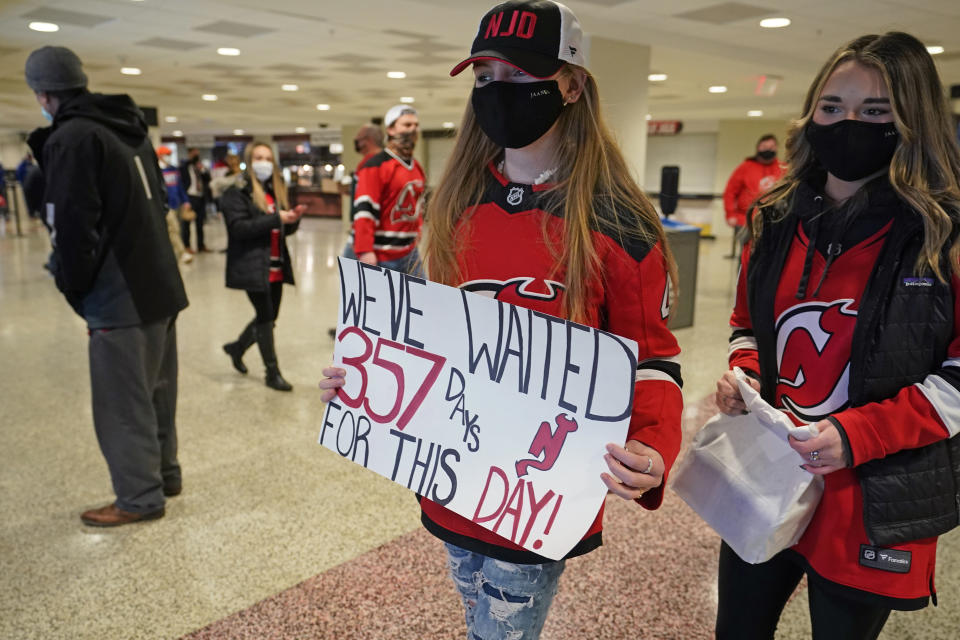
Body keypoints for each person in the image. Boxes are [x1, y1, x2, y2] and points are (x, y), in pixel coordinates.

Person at [320, 2, 683, 637]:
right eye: (484, 77)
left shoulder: (617, 224)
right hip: (456, 477)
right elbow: (437, 338)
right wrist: (364, 377)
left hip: (540, 490)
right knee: (473, 612)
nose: (496, 93)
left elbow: (651, 357)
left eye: (517, 76)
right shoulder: (458, 203)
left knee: (502, 630)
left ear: (570, 85)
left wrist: (654, 444)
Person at [714, 32, 960, 639]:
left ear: (912, 120)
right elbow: (749, 323)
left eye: (875, 112)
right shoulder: (774, 219)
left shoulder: (943, 236)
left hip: (871, 493)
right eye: (832, 107)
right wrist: (745, 371)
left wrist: (859, 435)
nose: (848, 124)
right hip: (770, 475)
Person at [24, 46, 189, 526]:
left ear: (43, 93)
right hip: (160, 282)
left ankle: (139, 497)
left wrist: (72, 286)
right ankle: (165, 474)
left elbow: (73, 226)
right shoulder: (131, 129)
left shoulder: (73, 137)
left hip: (119, 295)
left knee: (122, 402)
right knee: (157, 388)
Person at [220, 141, 305, 391]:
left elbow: (280, 229)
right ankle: (272, 372)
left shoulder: (273, 192)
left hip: (276, 265)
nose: (264, 163)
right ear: (249, 161)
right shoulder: (236, 192)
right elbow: (238, 229)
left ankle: (237, 348)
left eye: (268, 158)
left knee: (268, 317)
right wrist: (276, 218)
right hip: (253, 266)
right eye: (258, 157)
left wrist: (292, 220)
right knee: (266, 318)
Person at [344, 105, 425, 274]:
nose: (413, 129)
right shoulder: (375, 165)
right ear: (391, 129)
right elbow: (364, 210)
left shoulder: (416, 167)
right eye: (407, 125)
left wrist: (417, 229)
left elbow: (418, 202)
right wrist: (365, 251)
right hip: (381, 254)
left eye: (416, 125)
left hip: (409, 252)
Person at [722, 134, 783, 258]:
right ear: (758, 148)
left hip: (774, 221)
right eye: (765, 146)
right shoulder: (745, 167)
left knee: (771, 258)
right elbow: (730, 191)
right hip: (746, 221)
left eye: (772, 146)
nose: (768, 149)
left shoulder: (782, 168)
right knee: (747, 257)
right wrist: (730, 214)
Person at [180, 147, 211, 252]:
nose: (196, 156)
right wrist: (184, 200)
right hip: (189, 197)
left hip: (200, 197)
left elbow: (208, 179)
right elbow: (181, 183)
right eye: (194, 154)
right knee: (186, 224)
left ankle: (201, 245)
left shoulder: (200, 167)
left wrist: (201, 169)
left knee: (200, 223)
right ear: (189, 154)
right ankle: (187, 246)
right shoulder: (184, 167)